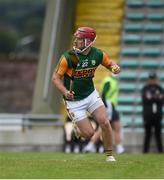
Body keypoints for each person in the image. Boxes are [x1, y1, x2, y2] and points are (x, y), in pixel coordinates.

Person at [52, 26, 121, 162]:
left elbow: (109, 63)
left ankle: (109, 155)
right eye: (76, 38)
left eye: (79, 39)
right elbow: (55, 78)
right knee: (89, 133)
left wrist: (114, 67)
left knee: (105, 123)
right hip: (74, 101)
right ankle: (79, 129)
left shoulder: (97, 54)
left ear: (88, 42)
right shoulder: (69, 57)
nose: (76, 41)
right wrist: (65, 91)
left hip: (90, 94)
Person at [83, 73, 125, 154]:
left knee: (116, 126)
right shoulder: (109, 81)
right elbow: (104, 94)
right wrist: (106, 105)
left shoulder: (112, 81)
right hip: (109, 105)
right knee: (104, 127)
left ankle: (119, 147)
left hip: (112, 106)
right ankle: (90, 145)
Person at [141, 72, 163, 153]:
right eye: (151, 79)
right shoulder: (145, 88)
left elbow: (161, 99)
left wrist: (152, 98)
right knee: (147, 134)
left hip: (158, 115)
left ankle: (160, 151)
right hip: (148, 115)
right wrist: (156, 97)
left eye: (153, 79)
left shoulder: (159, 88)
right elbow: (146, 99)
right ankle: (145, 152)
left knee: (158, 134)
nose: (152, 80)